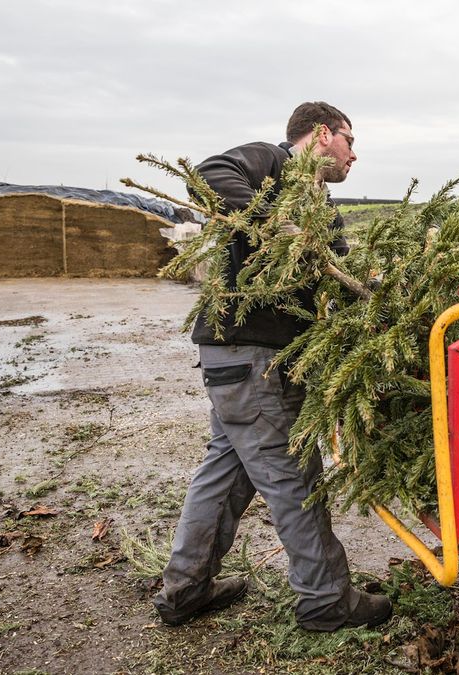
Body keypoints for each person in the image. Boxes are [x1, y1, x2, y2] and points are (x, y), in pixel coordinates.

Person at [153, 101, 392, 631]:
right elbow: (211, 175)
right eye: (350, 141)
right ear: (323, 133)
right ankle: (327, 600)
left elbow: (340, 269)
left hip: (243, 362)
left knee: (227, 470)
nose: (355, 154)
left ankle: (185, 590)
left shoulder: (321, 205)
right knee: (292, 478)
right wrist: (274, 225)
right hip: (254, 357)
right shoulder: (273, 164)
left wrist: (378, 301)